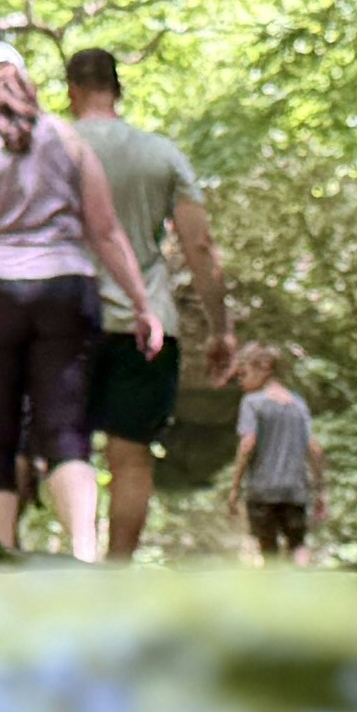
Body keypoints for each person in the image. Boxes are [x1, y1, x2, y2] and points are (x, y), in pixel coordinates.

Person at [0, 54, 152, 556]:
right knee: (67, 431)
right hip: (66, 289)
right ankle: (84, 555)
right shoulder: (69, 139)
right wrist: (141, 303)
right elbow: (105, 230)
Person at [58, 44, 220, 558]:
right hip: (145, 322)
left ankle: (70, 558)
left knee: (66, 451)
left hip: (64, 319)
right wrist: (222, 328)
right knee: (130, 458)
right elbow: (199, 245)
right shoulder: (161, 155)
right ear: (118, 89)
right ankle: (116, 574)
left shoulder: (50, 148)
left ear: (71, 90)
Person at [230, 341, 320, 562]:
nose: (240, 380)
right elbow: (314, 448)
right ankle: (302, 579)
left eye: (243, 373)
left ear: (264, 369)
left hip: (262, 489)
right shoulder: (298, 404)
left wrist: (235, 487)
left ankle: (273, 582)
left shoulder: (252, 402)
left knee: (268, 550)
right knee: (297, 546)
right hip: (295, 490)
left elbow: (247, 444)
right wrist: (321, 489)